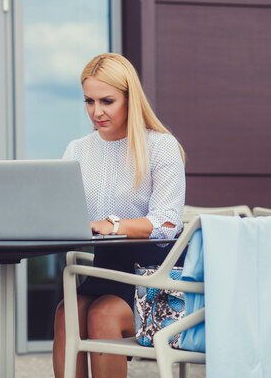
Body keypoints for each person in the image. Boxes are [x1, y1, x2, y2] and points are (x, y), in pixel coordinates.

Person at [52, 53, 186, 378]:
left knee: (103, 316)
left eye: (107, 101)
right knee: (65, 313)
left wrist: (112, 225)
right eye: (89, 101)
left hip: (157, 277)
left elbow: (167, 224)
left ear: (130, 98)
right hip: (108, 270)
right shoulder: (77, 150)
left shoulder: (160, 146)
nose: (96, 112)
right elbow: (63, 212)